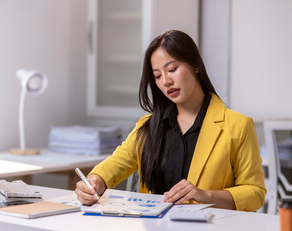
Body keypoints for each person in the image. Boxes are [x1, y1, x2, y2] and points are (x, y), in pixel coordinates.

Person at [75, 30, 266, 211]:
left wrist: (204, 195)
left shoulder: (238, 126)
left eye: (172, 69)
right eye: (157, 76)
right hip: (153, 230)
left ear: (195, 65)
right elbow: (117, 163)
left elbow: (255, 193)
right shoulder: (148, 126)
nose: (165, 81)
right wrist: (95, 181)